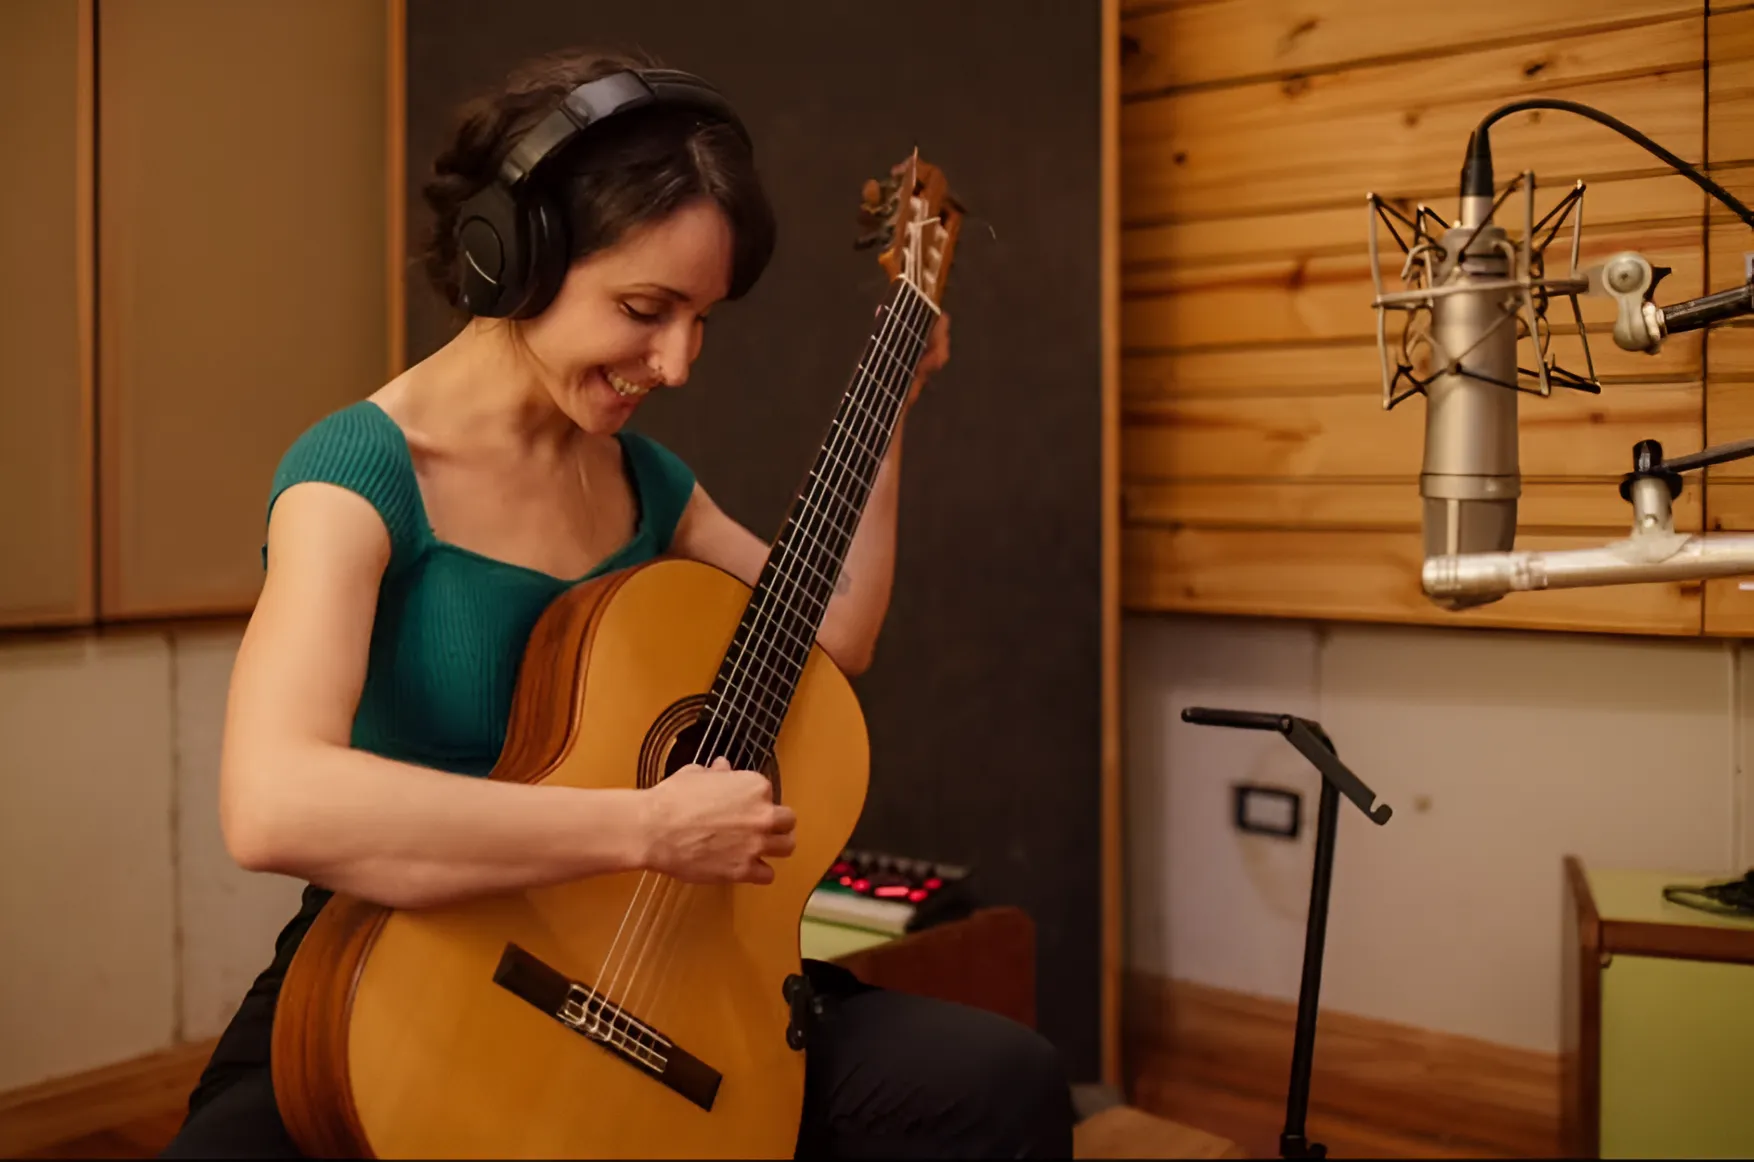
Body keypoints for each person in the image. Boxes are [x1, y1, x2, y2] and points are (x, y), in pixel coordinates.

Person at [161, 46, 1074, 1160]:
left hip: (660, 964)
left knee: (1001, 1085)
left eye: (702, 320)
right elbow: (271, 803)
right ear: (515, 255)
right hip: (403, 964)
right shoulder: (356, 476)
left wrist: (891, 408)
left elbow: (837, 632)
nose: (676, 363)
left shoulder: (642, 480)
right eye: (645, 308)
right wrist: (645, 827)